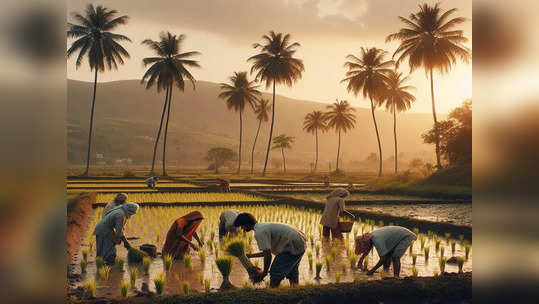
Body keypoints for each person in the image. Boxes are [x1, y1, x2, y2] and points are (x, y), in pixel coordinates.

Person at [233, 213, 306, 287]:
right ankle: (294, 290)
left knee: (275, 272)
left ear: (247, 224)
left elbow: (268, 255)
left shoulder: (259, 232)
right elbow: (267, 251)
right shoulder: (261, 226)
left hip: (293, 243)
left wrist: (264, 273)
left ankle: (272, 292)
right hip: (298, 241)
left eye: (242, 226)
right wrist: (251, 256)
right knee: (292, 271)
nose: (242, 229)